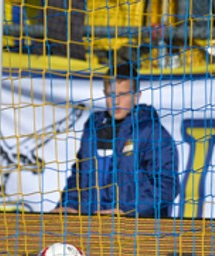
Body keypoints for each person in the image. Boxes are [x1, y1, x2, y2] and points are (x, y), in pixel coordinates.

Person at [54, 62, 179, 217]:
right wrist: (68, 205)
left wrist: (128, 211)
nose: (116, 101)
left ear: (136, 96)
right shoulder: (93, 128)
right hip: (92, 226)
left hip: (136, 228)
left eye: (123, 94)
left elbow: (166, 187)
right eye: (111, 94)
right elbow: (79, 175)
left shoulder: (151, 132)